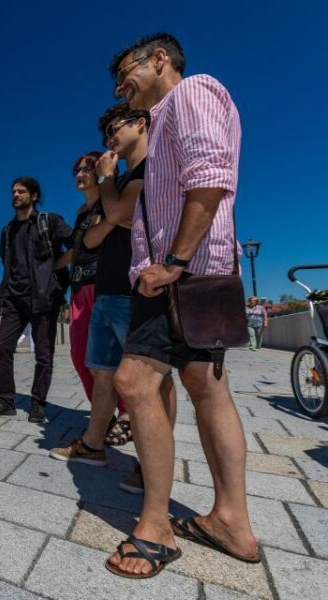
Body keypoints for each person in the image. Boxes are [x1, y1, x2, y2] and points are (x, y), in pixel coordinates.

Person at [106, 33, 258, 578]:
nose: (119, 86)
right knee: (206, 387)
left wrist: (172, 260)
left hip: (178, 274)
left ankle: (156, 527)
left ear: (160, 60)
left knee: (135, 381)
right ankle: (231, 521)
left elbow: (211, 178)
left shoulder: (191, 92)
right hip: (199, 270)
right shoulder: (165, 117)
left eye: (125, 71)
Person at [51, 104, 178, 471]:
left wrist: (109, 189)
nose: (110, 139)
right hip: (105, 290)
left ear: (141, 124)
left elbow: (120, 216)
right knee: (102, 372)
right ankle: (93, 443)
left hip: (130, 289)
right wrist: (111, 213)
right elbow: (88, 241)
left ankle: (153, 463)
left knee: (153, 379)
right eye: (105, 134)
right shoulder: (117, 186)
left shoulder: (147, 169)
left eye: (114, 129)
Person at [0, 177, 72, 422]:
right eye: (13, 191)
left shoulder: (48, 222)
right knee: (2, 347)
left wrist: (55, 267)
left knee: (43, 354)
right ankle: (5, 400)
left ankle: (38, 403)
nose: (15, 195)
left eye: (21, 191)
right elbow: (7, 263)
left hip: (43, 298)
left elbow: (77, 243)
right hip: (13, 298)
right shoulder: (7, 231)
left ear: (33, 196)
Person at [63, 152, 104, 403]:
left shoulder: (109, 201)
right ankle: (100, 409)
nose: (80, 174)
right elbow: (74, 251)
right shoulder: (81, 211)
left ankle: (124, 412)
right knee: (79, 354)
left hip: (103, 283)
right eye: (77, 170)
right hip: (78, 286)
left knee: (106, 355)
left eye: (86, 169)